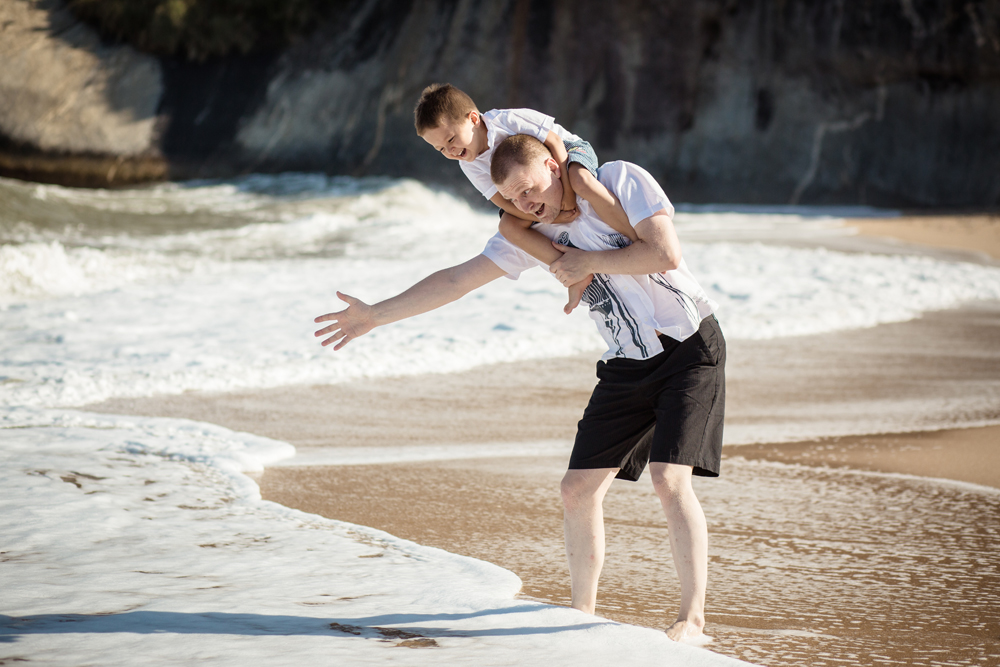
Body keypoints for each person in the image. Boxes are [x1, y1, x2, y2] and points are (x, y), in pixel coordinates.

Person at [314, 134, 725, 646]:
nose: (528, 204)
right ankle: (582, 612)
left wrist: (587, 263)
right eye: (515, 199)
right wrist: (375, 314)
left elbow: (664, 253)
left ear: (555, 165)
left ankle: (693, 619)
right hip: (628, 357)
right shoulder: (532, 233)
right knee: (576, 491)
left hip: (688, 345)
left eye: (532, 189)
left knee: (669, 479)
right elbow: (456, 280)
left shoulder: (619, 179)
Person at [414, 83, 636, 313]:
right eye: (440, 149)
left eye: (451, 139)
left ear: (473, 118)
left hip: (565, 155)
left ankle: (636, 240)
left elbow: (555, 143)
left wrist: (568, 197)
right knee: (508, 227)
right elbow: (503, 203)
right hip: (525, 187)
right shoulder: (469, 165)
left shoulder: (506, 121)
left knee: (582, 181)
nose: (450, 151)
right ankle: (572, 274)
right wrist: (556, 218)